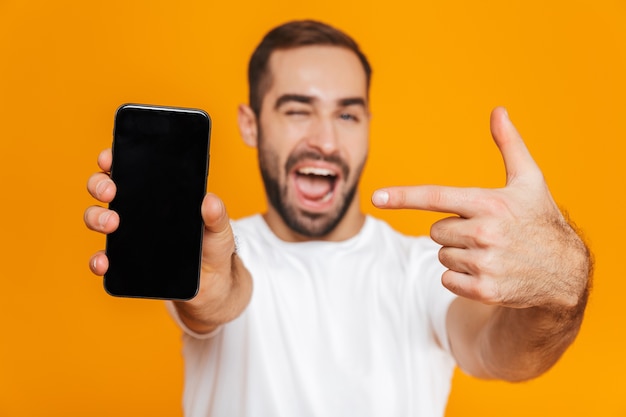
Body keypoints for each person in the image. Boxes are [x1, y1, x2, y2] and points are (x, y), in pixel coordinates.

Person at [84, 20, 592, 417]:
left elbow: (504, 354)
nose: (326, 141)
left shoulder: (423, 268)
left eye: (347, 114)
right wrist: (205, 290)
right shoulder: (217, 251)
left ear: (368, 125)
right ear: (251, 124)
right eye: (297, 109)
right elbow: (220, 299)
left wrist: (560, 286)